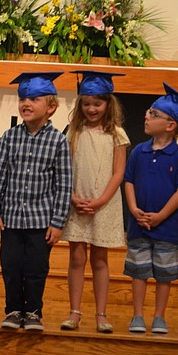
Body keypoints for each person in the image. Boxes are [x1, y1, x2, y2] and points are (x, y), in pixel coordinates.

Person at [0, 72, 72, 332]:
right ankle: (13, 310)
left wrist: (58, 222)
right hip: (11, 219)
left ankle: (33, 311)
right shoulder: (10, 137)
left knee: (36, 269)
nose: (26, 103)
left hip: (41, 221)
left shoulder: (58, 141)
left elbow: (64, 185)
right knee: (11, 267)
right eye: (23, 98)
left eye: (34, 99)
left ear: (51, 107)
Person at [124, 82, 178, 335]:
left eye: (153, 114)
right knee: (139, 271)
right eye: (148, 111)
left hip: (166, 227)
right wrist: (134, 209)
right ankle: (137, 315)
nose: (146, 115)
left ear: (170, 126)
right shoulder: (138, 151)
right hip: (139, 223)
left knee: (164, 274)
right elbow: (129, 181)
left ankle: (159, 316)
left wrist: (160, 217)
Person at [59, 71, 129, 334]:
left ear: (108, 104)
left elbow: (118, 172)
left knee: (100, 259)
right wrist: (73, 197)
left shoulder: (117, 134)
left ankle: (101, 313)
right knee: (77, 257)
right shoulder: (73, 133)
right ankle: (74, 312)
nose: (91, 108)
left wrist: (100, 200)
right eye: (86, 103)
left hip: (105, 203)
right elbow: (64, 169)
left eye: (97, 104)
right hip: (76, 201)